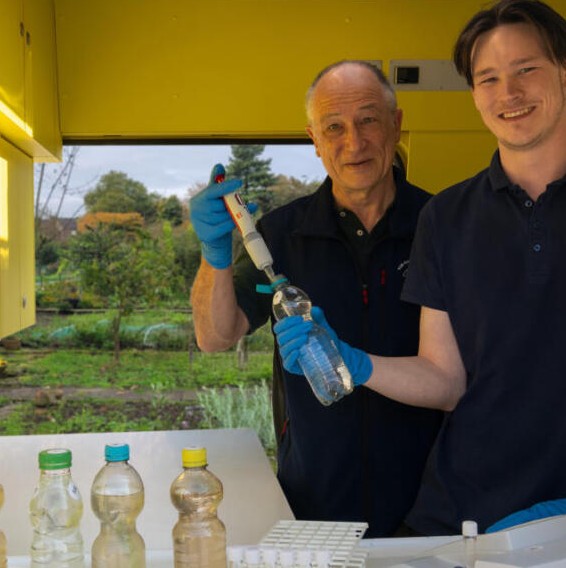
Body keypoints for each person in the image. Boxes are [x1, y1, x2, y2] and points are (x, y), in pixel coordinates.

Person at [275, 0, 566, 536]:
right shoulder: (445, 217)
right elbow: (445, 380)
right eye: (488, 78)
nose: (508, 94)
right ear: (474, 93)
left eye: (526, 70)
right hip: (461, 521)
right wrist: (355, 363)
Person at [188, 61, 443, 537]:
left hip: (431, 502)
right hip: (313, 501)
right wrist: (214, 255)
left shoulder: (443, 226)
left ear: (397, 124)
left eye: (368, 119)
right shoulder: (282, 234)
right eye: (334, 127)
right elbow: (215, 336)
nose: (354, 141)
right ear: (315, 139)